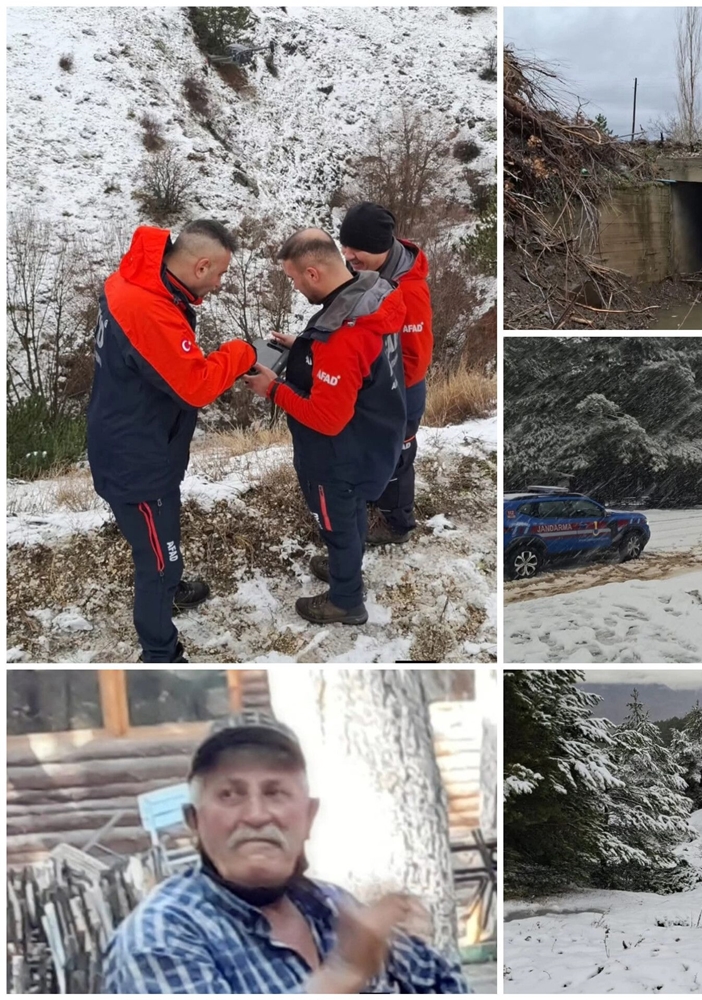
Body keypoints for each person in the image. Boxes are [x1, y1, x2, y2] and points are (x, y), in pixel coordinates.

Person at [103, 712, 469, 993]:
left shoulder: (332, 905)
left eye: (275, 792)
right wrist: (342, 976)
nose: (257, 815)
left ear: (309, 817)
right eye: (230, 794)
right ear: (194, 821)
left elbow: (445, 982)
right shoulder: (158, 939)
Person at [87, 220, 256, 663]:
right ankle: (160, 653)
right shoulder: (150, 310)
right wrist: (242, 353)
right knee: (156, 562)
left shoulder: (133, 280)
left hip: (137, 437)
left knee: (162, 534)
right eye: (219, 274)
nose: (220, 284)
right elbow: (196, 386)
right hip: (137, 462)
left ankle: (172, 585)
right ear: (200, 266)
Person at [243, 229, 405, 625]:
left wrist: (272, 388)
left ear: (313, 273)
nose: (295, 287)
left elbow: (328, 418)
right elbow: (356, 364)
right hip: (374, 437)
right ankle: (343, 565)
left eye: (294, 279)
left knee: (338, 525)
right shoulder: (372, 296)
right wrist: (303, 345)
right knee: (348, 521)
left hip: (339, 458)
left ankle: (346, 600)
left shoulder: (342, 337)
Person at [336, 201, 433, 549]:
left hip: (402, 390)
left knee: (398, 453)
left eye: (356, 248)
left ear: (380, 247)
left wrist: (384, 393)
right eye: (344, 245)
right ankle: (377, 500)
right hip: (378, 385)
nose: (347, 254)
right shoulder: (369, 270)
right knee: (378, 452)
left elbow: (414, 357)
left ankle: (398, 522)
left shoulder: (408, 290)